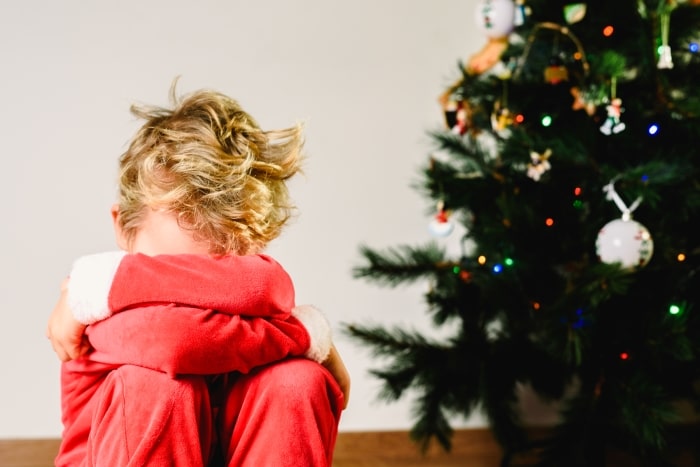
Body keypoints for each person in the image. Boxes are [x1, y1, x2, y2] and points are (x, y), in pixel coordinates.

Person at [46, 83, 350, 466]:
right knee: (157, 387)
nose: (199, 295)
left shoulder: (97, 291)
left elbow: (262, 284)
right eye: (167, 270)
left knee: (295, 381)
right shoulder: (97, 307)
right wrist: (305, 333)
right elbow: (175, 340)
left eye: (219, 276)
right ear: (122, 227)